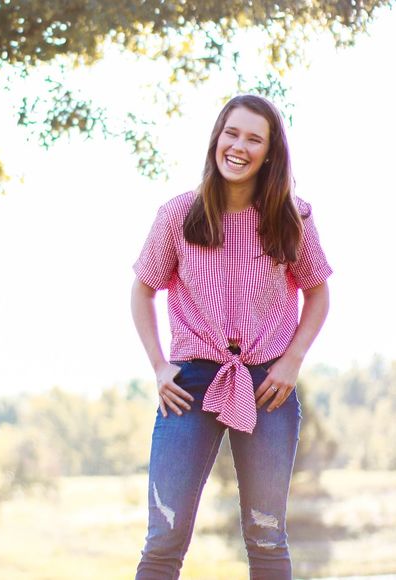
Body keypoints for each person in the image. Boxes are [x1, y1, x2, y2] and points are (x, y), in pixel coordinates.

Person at [131, 94, 332, 580]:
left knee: (267, 538)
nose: (239, 147)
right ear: (216, 139)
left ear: (270, 153)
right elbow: (142, 290)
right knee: (163, 541)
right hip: (189, 386)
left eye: (253, 139)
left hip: (268, 387)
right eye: (232, 133)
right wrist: (159, 366)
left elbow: (318, 293)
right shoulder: (178, 214)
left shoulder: (293, 217)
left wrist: (292, 361)